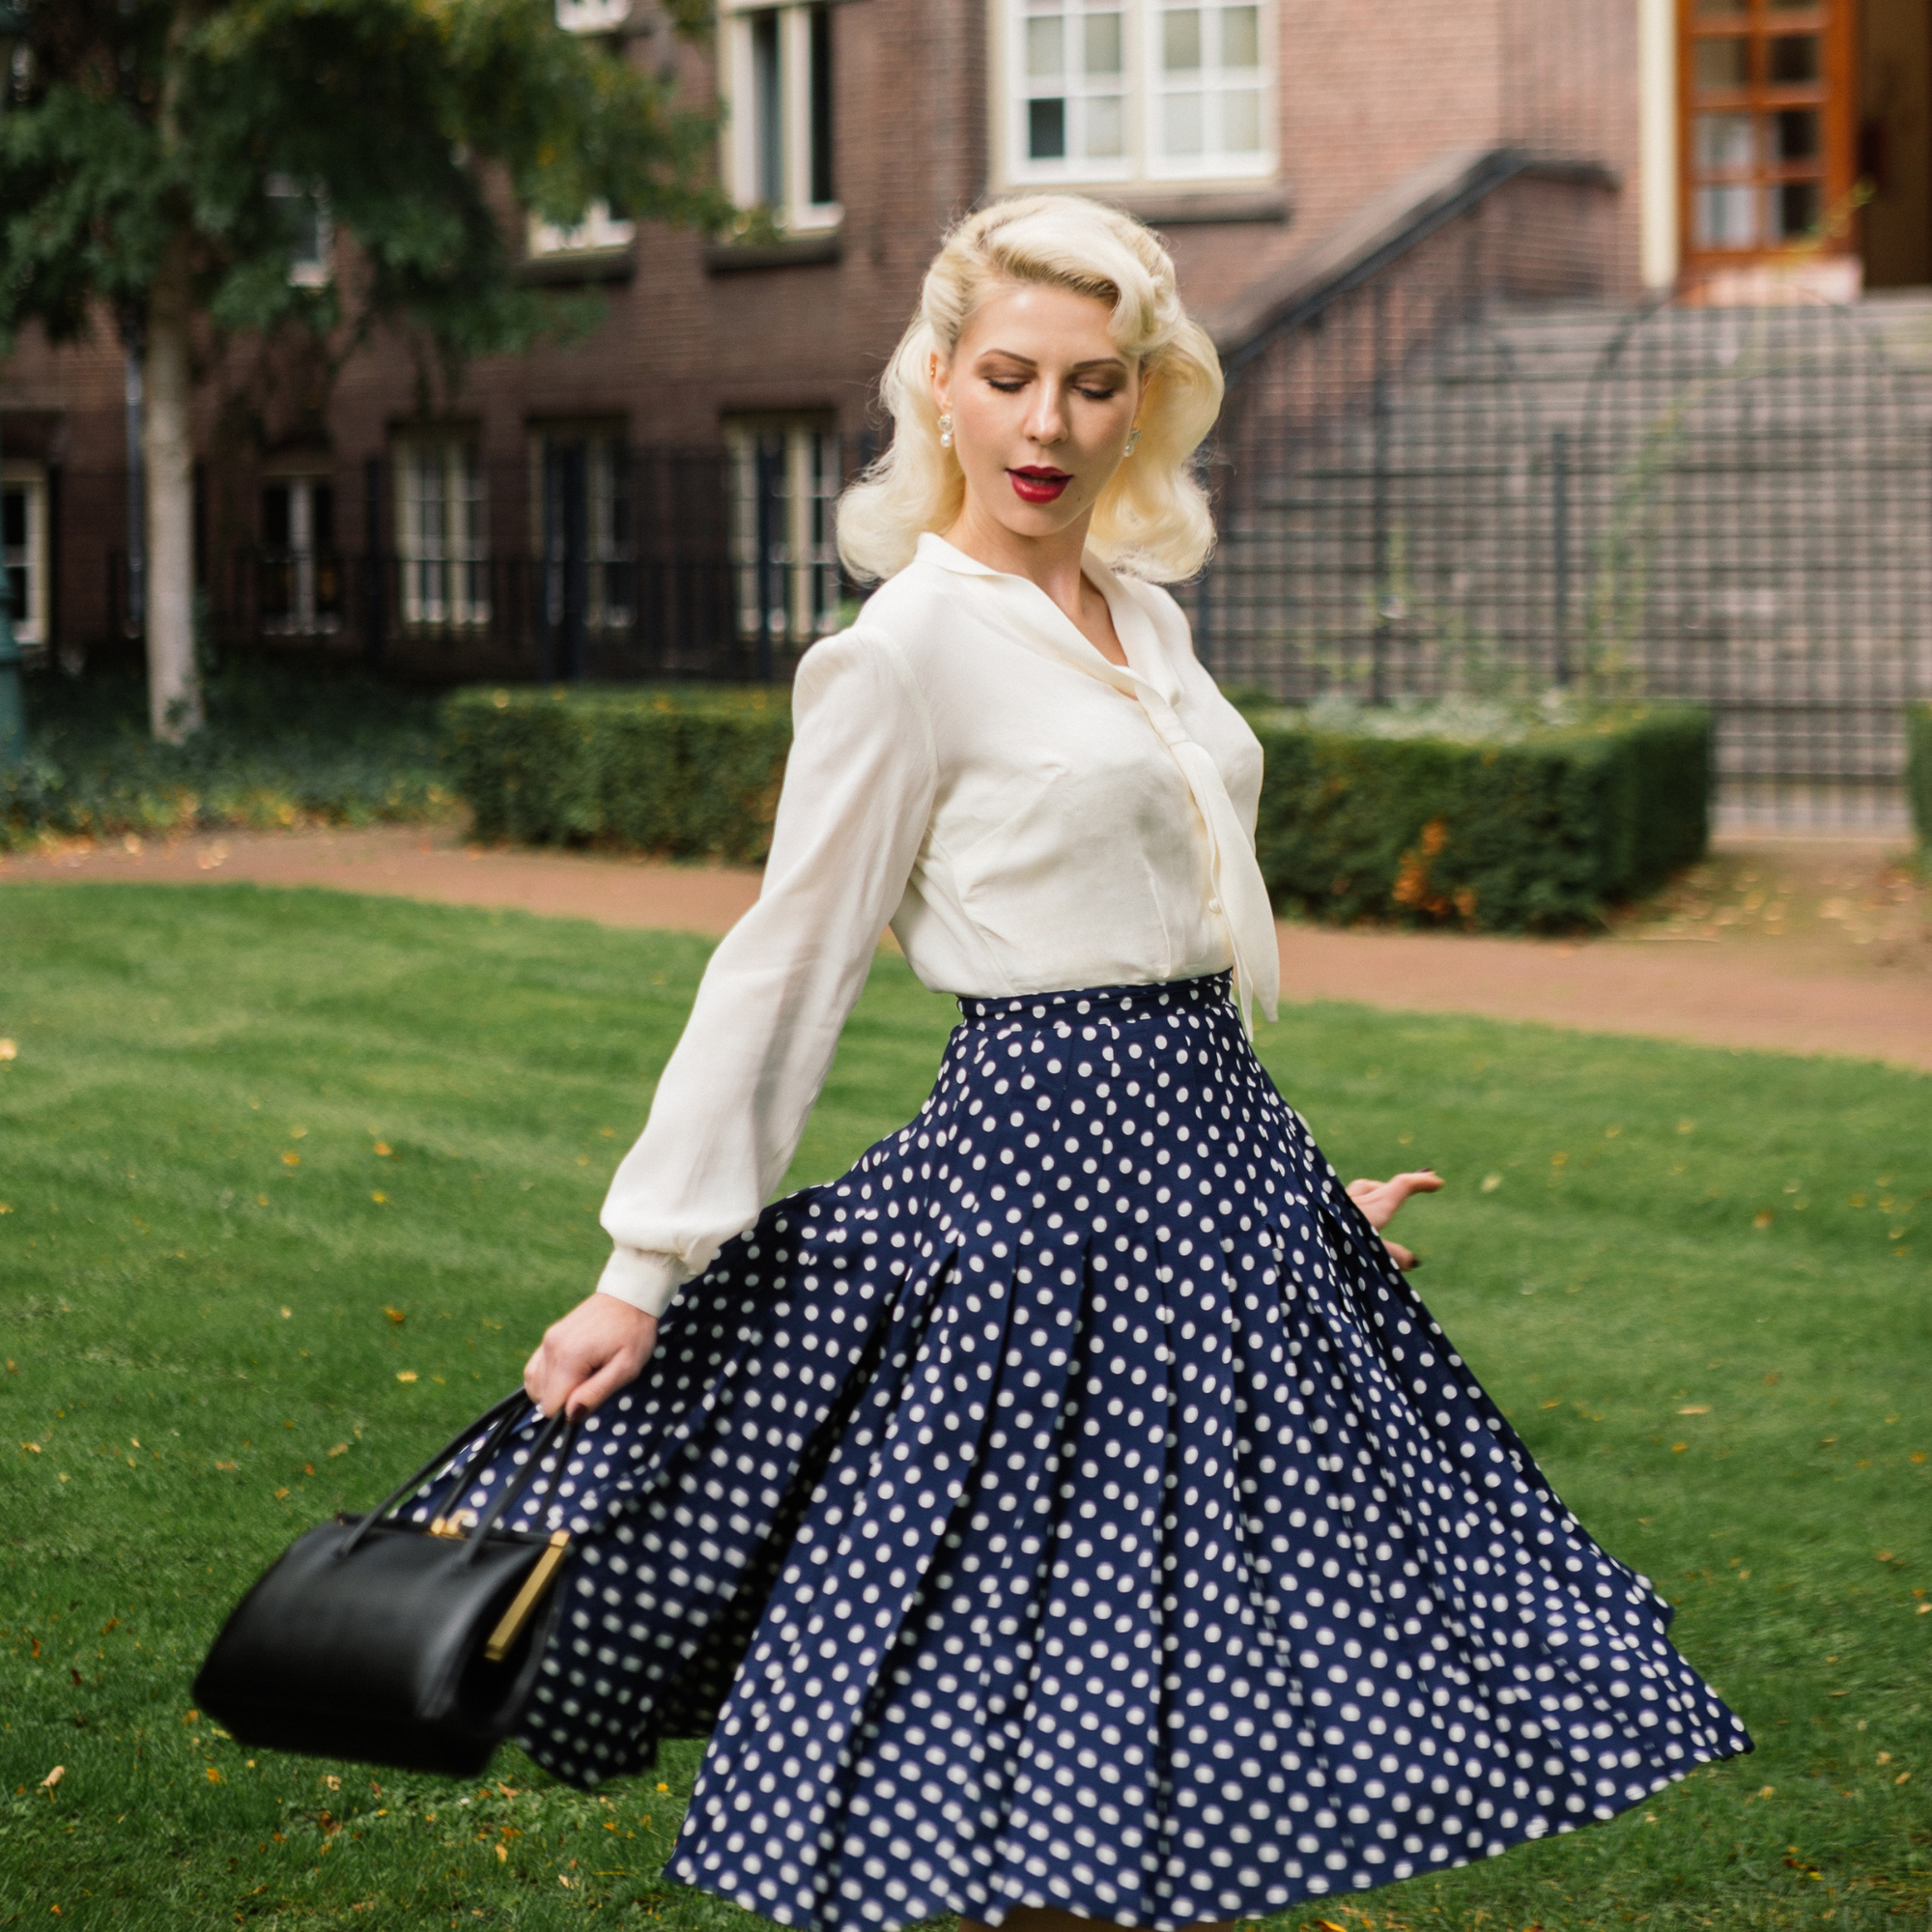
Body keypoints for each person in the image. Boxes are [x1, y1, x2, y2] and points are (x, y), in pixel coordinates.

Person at [440, 195, 1749, 1932]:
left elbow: (1172, 946)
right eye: (1008, 378)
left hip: (1215, 1183)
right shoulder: (905, 652)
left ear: (1146, 397)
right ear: (938, 383)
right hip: (1036, 1220)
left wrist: (1301, 1213)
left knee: (1211, 1719)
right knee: (1050, 1716)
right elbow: (786, 964)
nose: (1046, 426)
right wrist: (641, 1269)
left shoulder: (1146, 617)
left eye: (1092, 383)